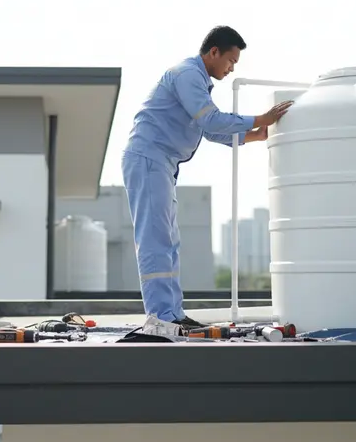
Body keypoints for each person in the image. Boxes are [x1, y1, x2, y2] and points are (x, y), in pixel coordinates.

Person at [122, 25, 293, 329]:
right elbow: (211, 120)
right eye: (231, 61)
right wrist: (260, 118)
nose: (231, 69)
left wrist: (257, 134)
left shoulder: (197, 81)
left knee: (168, 241)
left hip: (161, 163)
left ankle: (172, 314)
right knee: (155, 240)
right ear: (214, 52)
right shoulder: (188, 74)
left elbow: (210, 130)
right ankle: (161, 316)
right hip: (149, 158)